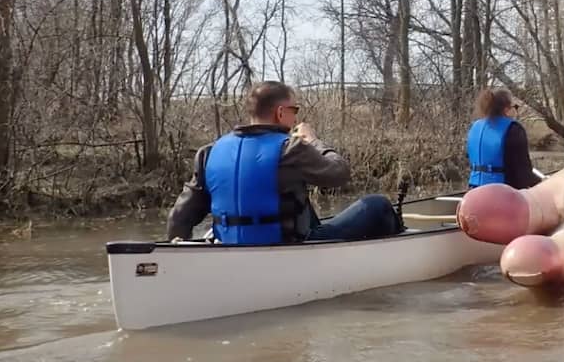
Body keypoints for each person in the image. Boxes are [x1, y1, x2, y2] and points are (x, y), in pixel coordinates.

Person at [166, 81, 400, 245]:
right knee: (377, 205)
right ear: (280, 112)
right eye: (294, 109)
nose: (296, 116)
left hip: (230, 246)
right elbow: (339, 173)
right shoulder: (291, 149)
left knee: (299, 202)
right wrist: (313, 140)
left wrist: (180, 252)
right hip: (290, 246)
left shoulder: (210, 152)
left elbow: (180, 216)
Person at [465, 87, 541, 189]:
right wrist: (541, 183)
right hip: (501, 191)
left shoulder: (474, 127)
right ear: (506, 110)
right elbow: (522, 172)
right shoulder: (514, 129)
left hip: (474, 189)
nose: (516, 110)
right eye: (515, 107)